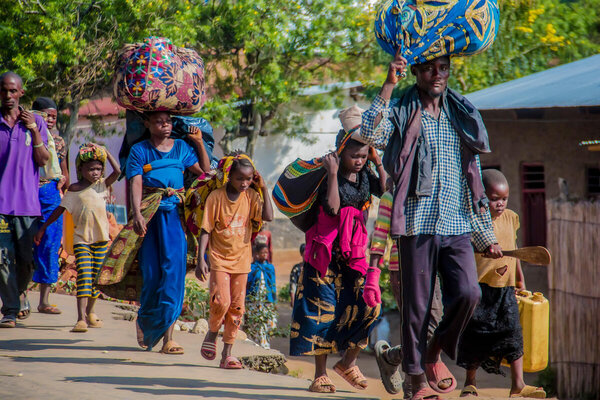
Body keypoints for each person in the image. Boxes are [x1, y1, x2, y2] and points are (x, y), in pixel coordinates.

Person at [360, 51, 503, 400]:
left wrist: (485, 236)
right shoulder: (403, 109)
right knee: (417, 309)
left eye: (442, 68)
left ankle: (433, 352)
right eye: (428, 69)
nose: (436, 75)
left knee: (470, 293)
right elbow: (369, 134)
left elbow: (472, 181)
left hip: (457, 224)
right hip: (416, 225)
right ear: (416, 72)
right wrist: (388, 85)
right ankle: (416, 384)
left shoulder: (460, 112)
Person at [289, 105, 386, 393]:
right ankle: (319, 375)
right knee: (323, 312)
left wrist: (378, 162)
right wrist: (332, 173)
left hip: (354, 254)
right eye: (353, 155)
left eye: (363, 154)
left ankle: (347, 362)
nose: (359, 160)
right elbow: (332, 207)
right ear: (340, 152)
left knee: (369, 305)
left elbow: (386, 188)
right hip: (324, 255)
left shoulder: (367, 172)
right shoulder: (326, 174)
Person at [124, 111, 210, 353]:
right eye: (159, 121)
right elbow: (136, 182)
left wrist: (200, 142)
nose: (165, 125)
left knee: (173, 273)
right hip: (150, 217)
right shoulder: (139, 150)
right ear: (147, 123)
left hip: (175, 217)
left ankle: (169, 339)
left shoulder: (182, 147)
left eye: (169, 121)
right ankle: (146, 323)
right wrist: (137, 214)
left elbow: (204, 171)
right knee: (152, 275)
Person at [457, 169, 546, 398]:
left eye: (504, 199)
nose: (500, 204)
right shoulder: (474, 220)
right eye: (494, 199)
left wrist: (520, 280)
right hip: (479, 286)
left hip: (506, 288)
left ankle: (518, 384)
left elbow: (514, 251)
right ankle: (470, 382)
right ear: (482, 196)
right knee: (475, 334)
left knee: (513, 333)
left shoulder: (511, 218)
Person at [196, 153, 273, 369]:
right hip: (219, 259)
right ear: (229, 176)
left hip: (242, 260)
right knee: (221, 302)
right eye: (240, 179)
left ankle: (227, 354)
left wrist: (264, 188)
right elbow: (205, 229)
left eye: (249, 179)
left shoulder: (251, 197)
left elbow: (268, 216)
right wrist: (201, 258)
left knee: (237, 308)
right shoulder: (216, 198)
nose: (245, 183)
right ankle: (212, 332)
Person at [34, 143, 120, 332]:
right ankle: (80, 318)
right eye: (91, 169)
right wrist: (43, 229)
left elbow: (118, 171)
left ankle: (90, 312)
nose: (95, 173)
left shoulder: (101, 186)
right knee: (84, 278)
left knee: (97, 279)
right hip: (82, 241)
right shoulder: (74, 189)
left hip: (101, 240)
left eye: (99, 169)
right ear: (81, 169)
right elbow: (59, 210)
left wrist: (106, 152)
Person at [371, 179, 443, 398]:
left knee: (436, 323)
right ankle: (413, 389)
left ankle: (393, 356)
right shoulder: (390, 197)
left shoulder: (431, 192)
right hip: (402, 268)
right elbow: (380, 233)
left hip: (431, 266)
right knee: (413, 326)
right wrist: (372, 273)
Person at [0, 72, 50, 328]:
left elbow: (43, 160)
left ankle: (19, 294)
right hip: (1, 206)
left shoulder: (36, 122)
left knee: (27, 259)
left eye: (12, 91)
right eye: (4, 91)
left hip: (27, 206)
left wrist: (33, 128)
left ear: (21, 92)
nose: (8, 96)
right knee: (2, 257)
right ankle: (9, 309)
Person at [31, 97, 69, 315]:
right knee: (24, 245)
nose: (51, 120)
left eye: (54, 116)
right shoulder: (25, 138)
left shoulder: (59, 142)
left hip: (52, 195)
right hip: (27, 194)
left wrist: (67, 190)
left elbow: (64, 171)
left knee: (49, 246)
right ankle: (18, 298)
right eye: (46, 115)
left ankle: (44, 300)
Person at [245, 243, 277, 349]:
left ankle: (265, 345)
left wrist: (274, 301)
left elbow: (273, 285)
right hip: (254, 301)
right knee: (254, 324)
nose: (265, 255)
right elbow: (248, 284)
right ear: (257, 254)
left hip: (267, 300)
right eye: (262, 252)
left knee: (268, 324)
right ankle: (256, 346)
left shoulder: (270, 267)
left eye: (266, 252)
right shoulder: (252, 268)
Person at [289, 243, 305, 308]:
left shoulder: (313, 268)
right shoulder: (296, 269)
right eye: (305, 251)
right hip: (299, 299)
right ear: (301, 253)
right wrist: (293, 300)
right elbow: (293, 285)